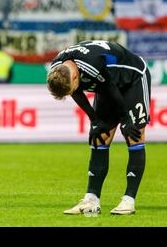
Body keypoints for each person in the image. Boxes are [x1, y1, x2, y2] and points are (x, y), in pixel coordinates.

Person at [47, 40, 151, 215]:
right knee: (99, 137)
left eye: (70, 89)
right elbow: (77, 92)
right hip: (106, 85)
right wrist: (94, 120)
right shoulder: (57, 69)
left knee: (134, 135)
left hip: (133, 80)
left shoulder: (92, 65)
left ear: (74, 77)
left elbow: (110, 87)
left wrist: (126, 119)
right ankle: (91, 200)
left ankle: (128, 201)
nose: (71, 93)